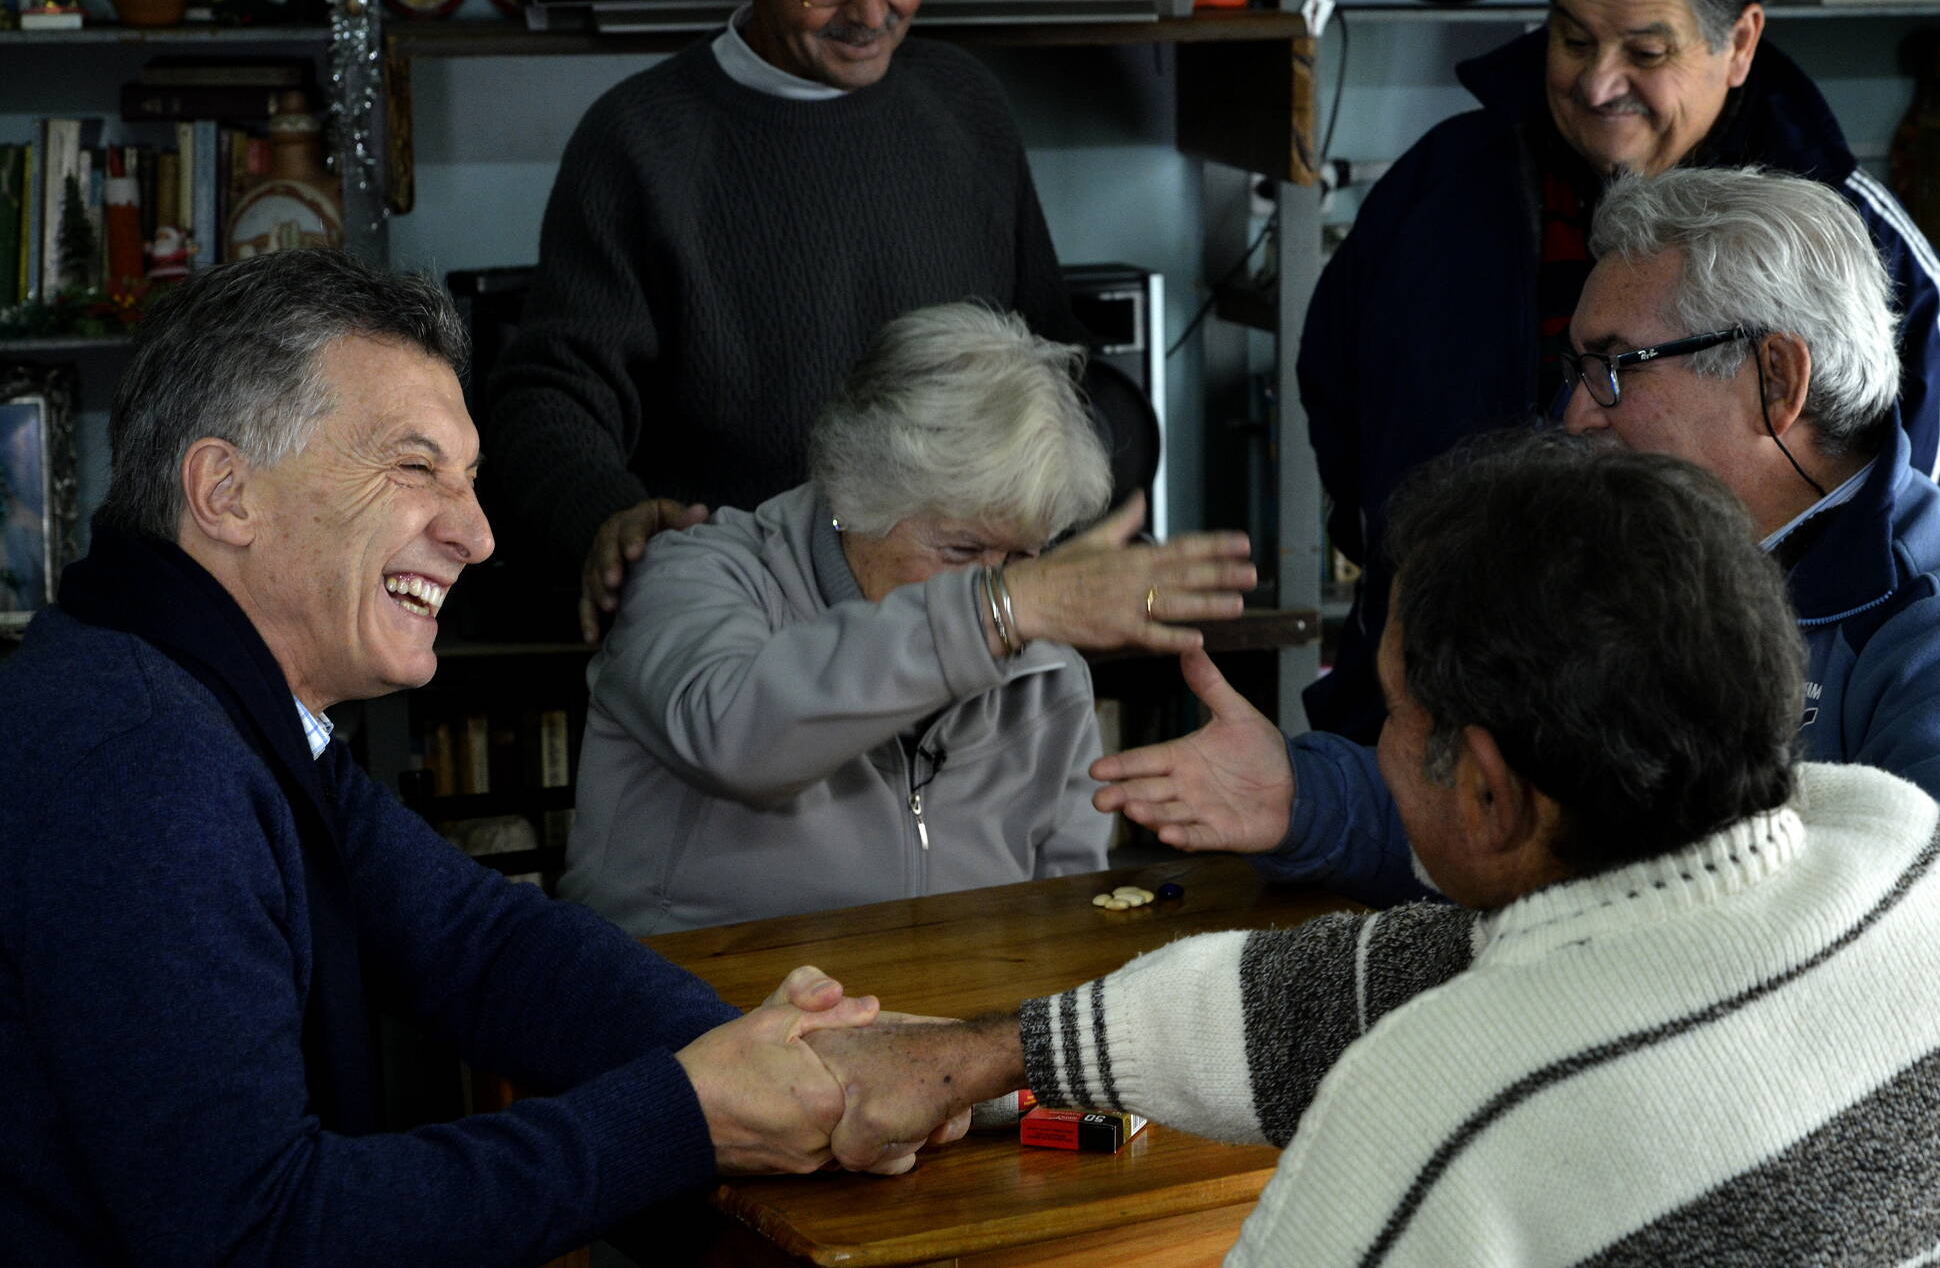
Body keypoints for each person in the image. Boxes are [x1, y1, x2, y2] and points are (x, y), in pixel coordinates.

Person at [0, 249, 952, 1267]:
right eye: (415, 469)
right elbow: (258, 1235)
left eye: (471, 482)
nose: (480, 535)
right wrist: (682, 1117)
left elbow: (477, 944)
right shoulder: (145, 761)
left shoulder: (201, 692)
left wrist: (784, 1057)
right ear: (227, 491)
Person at [799, 433, 1940, 1263]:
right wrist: (984, 1053)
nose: (1372, 743)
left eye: (1390, 710)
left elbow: (1441, 1047)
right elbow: (1392, 976)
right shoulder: (1891, 838)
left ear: (1486, 791)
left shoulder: (1447, 1112)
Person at [1098, 165, 1940, 910]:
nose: (1575, 416)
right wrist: (1299, 794)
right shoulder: (1628, 549)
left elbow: (1883, 952)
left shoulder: (1919, 626)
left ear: (1776, 378)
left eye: (1616, 367)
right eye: (1574, 371)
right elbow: (1512, 820)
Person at [1300, 0, 1940, 743]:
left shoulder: (1865, 248)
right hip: (1419, 723)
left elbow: (1888, 507)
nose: (1599, 83)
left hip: (1694, 735)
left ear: (1738, 43)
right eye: (1571, 40)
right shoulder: (1434, 194)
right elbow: (1340, 422)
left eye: (1645, 50)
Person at [561, 303, 1255, 934]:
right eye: (962, 549)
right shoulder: (690, 575)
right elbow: (737, 737)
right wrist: (999, 609)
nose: (1002, 582)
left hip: (940, 1048)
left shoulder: (1044, 673)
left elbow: (1061, 923)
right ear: (855, 493)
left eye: (1027, 554)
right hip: (691, 1032)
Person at [484, 0, 1093, 642]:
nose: (870, 11)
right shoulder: (640, 139)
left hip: (968, 626)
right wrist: (608, 517)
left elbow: (1052, 357)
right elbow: (547, 398)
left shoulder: (966, 103)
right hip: (745, 637)